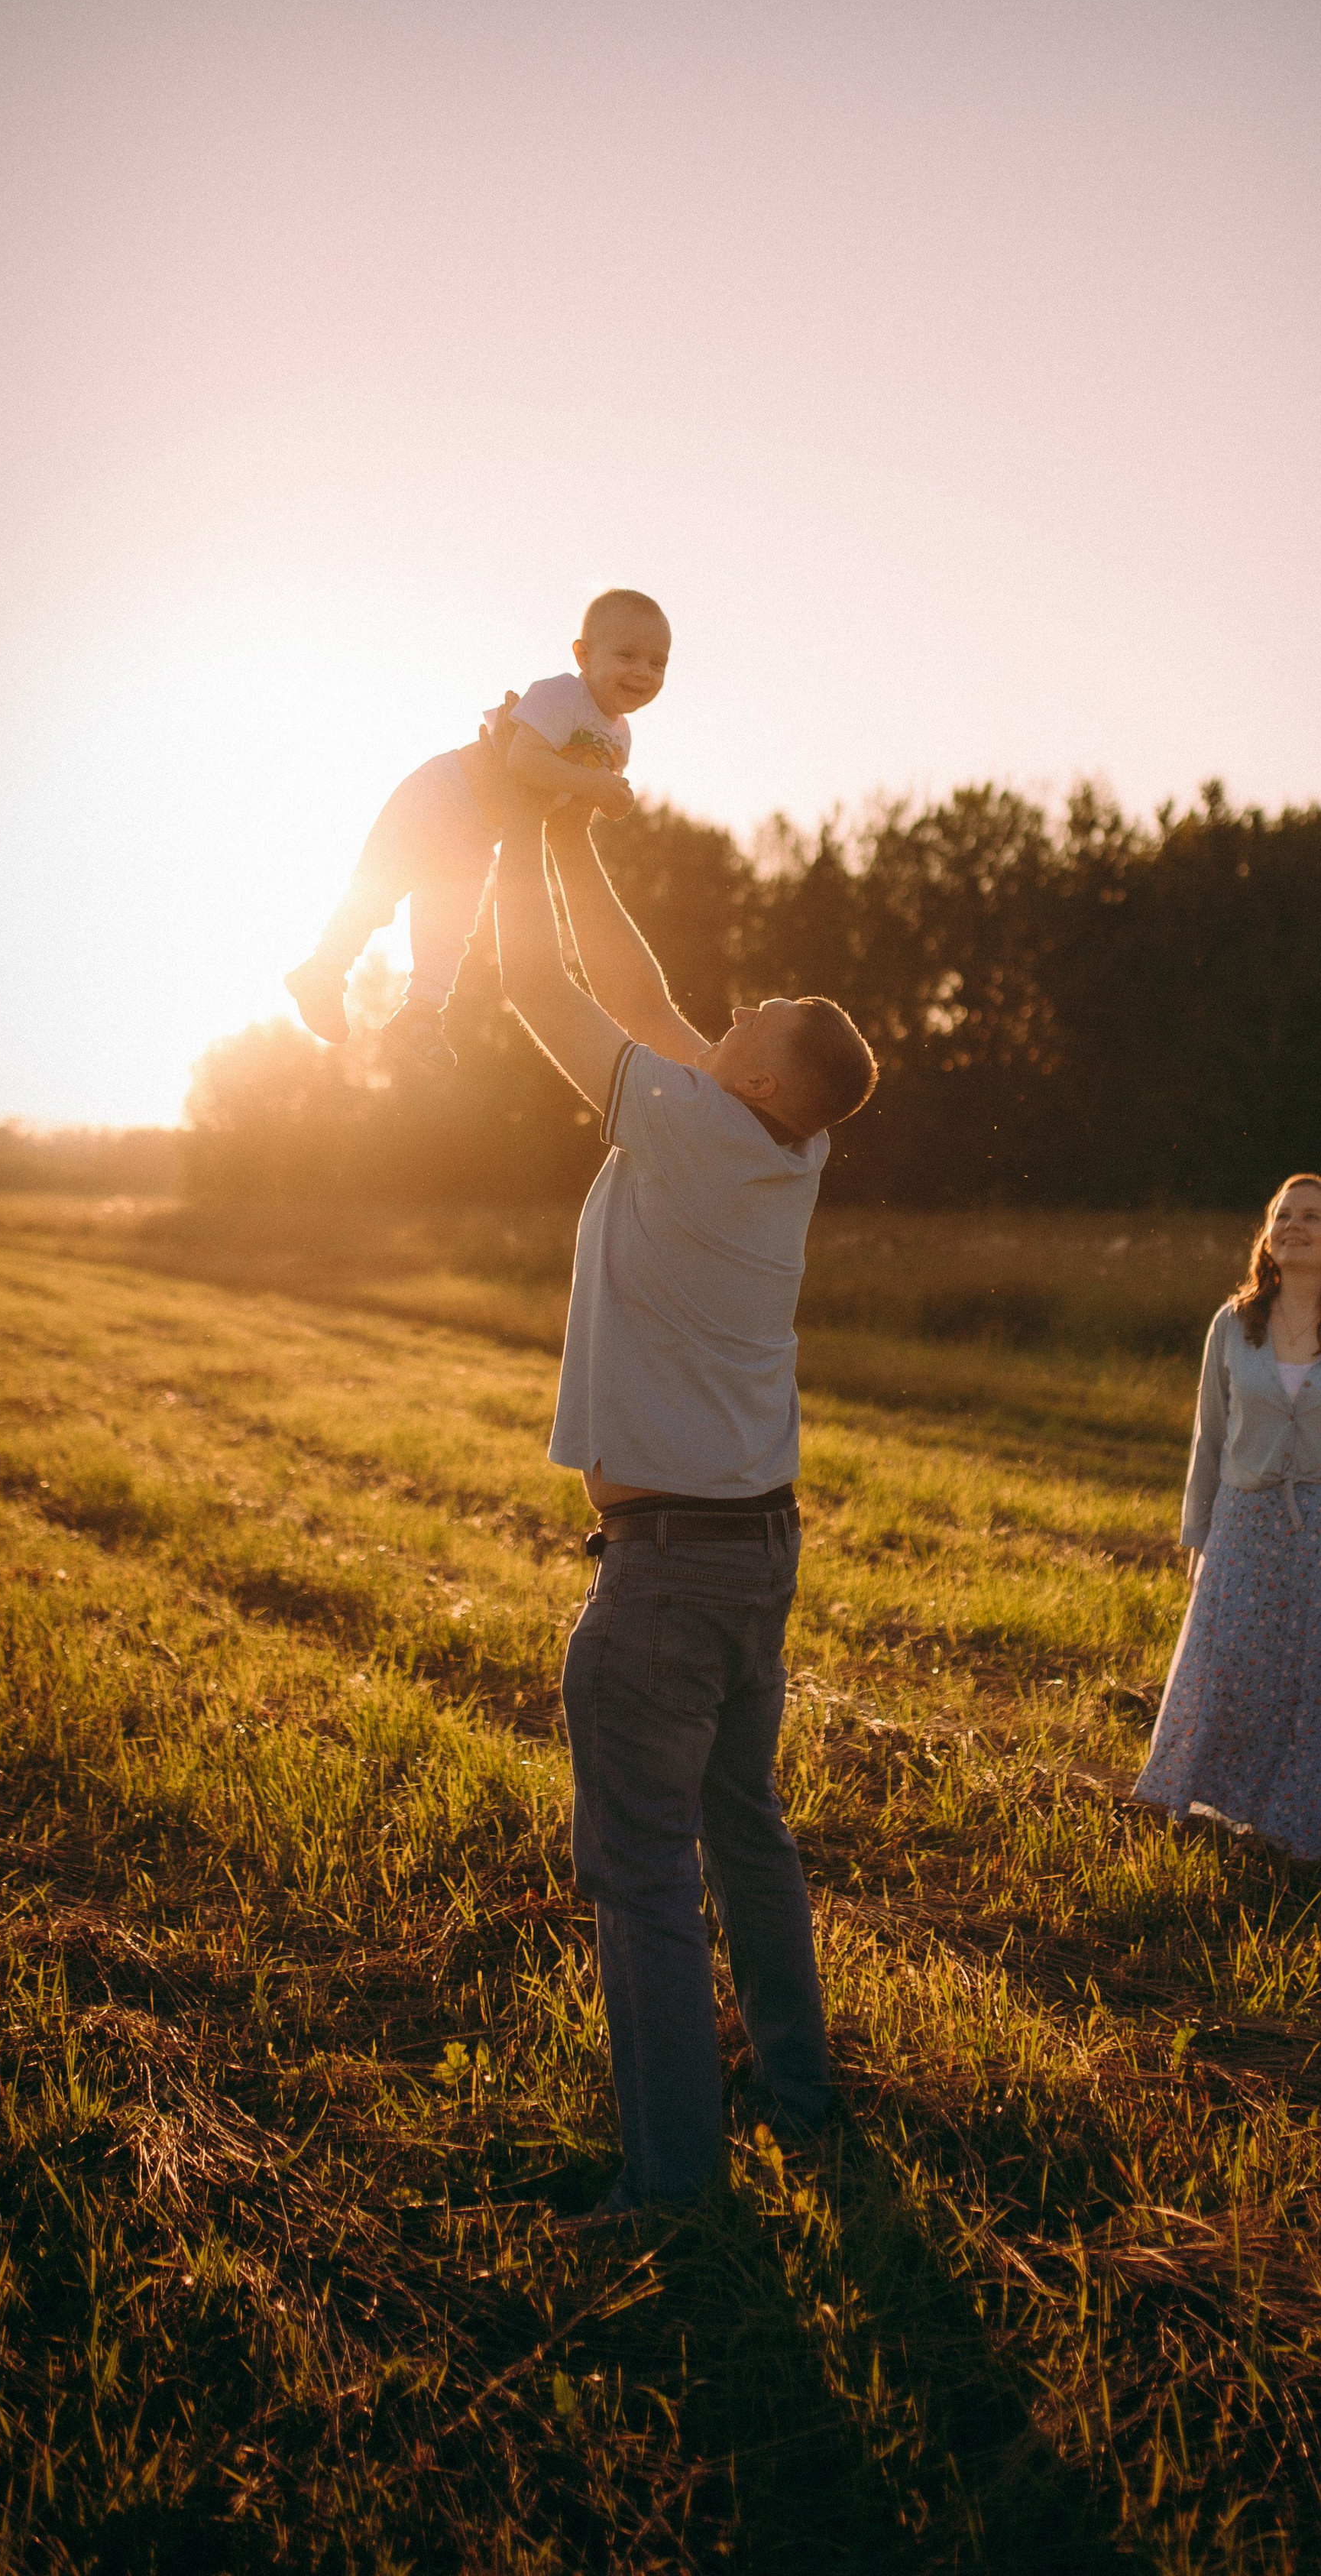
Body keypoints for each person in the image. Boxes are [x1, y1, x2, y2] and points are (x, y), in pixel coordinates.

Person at [490, 783, 877, 2218]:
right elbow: (638, 993)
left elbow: (543, 985)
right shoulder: (783, 1139)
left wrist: (501, 815)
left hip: (665, 1577)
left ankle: (671, 2189)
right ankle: (799, 2093)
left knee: (646, 1872)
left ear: (760, 1078)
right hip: (754, 1549)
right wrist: (570, 831)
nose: (748, 999)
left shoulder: (700, 1129)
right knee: (744, 1825)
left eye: (768, 1011)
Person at [1134, 1173, 1321, 1861]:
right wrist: (1197, 1536)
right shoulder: (1233, 1324)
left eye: (1312, 1216)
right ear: (1267, 1236)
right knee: (1236, 1671)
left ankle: (1316, 1822)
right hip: (1246, 1524)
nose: (1295, 1226)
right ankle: (1235, 1805)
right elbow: (1209, 1436)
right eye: (1283, 1215)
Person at [283, 589, 671, 1068]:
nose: (643, 672)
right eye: (627, 656)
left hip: (478, 833)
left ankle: (421, 1012)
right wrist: (593, 783)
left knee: (451, 925)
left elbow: (566, 805)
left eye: (657, 663)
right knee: (380, 886)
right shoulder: (562, 694)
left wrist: (606, 800)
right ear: (584, 656)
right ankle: (323, 970)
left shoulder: (619, 737)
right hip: (442, 795)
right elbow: (523, 759)